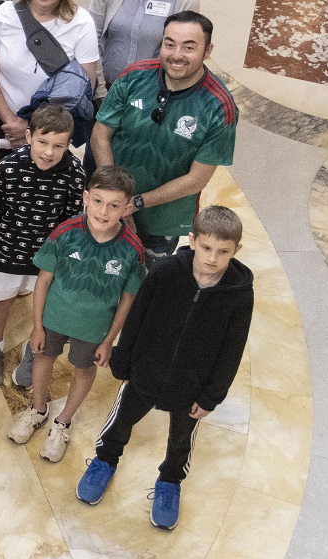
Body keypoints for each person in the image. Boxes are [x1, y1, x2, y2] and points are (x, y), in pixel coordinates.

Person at [77, 205, 253, 530]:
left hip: (192, 384)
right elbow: (137, 317)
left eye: (223, 251)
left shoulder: (239, 295)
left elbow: (233, 348)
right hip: (145, 371)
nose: (212, 257)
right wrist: (123, 360)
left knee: (181, 440)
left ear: (236, 250)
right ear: (193, 240)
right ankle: (105, 460)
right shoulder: (166, 271)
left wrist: (212, 395)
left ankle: (170, 482)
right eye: (206, 247)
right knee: (120, 421)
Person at [7, 166, 145, 464]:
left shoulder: (133, 250)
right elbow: (43, 280)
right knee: (44, 358)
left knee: (84, 368)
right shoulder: (65, 232)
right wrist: (37, 326)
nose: (104, 211)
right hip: (53, 317)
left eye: (113, 205)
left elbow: (127, 298)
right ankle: (38, 410)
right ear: (85, 197)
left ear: (126, 207)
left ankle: (63, 422)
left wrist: (109, 340)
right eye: (97, 201)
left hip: (95, 328)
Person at [90, 11, 236, 264]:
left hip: (163, 221)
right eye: (170, 44)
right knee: (95, 271)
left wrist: (136, 203)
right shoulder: (133, 77)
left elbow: (196, 179)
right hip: (108, 209)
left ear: (207, 51)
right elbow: (100, 136)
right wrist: (116, 200)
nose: (176, 55)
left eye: (189, 47)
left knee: (142, 285)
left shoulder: (219, 107)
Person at [0, 104, 85, 390]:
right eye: (42, 142)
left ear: (68, 144)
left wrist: (64, 264)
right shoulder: (6, 169)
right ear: (28, 136)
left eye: (58, 146)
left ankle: (36, 350)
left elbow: (71, 224)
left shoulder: (75, 173)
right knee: (2, 298)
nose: (48, 152)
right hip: (8, 251)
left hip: (47, 259)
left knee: (43, 304)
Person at [0, 0, 99, 174]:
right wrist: (13, 122)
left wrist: (35, 129)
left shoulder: (82, 23)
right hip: (0, 119)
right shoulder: (4, 14)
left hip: (51, 132)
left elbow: (86, 84)